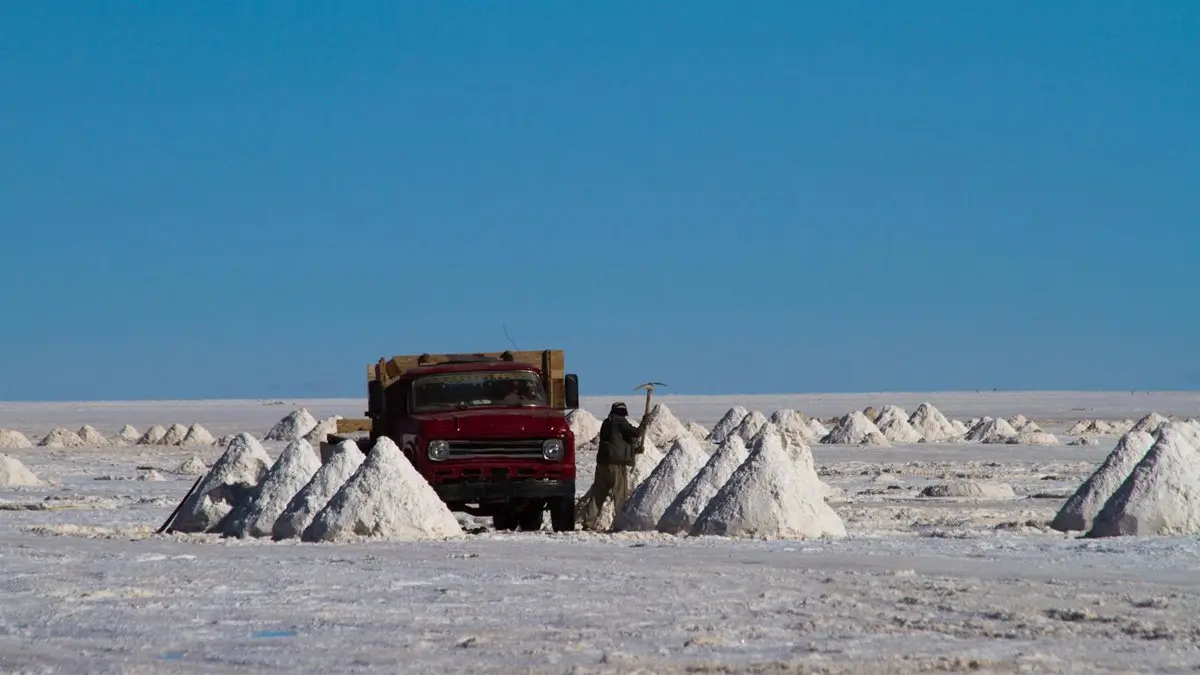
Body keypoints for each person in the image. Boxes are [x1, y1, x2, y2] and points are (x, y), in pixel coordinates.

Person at [582, 401, 644, 531]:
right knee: (620, 495)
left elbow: (618, 442)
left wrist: (635, 449)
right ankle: (620, 523)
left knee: (597, 494)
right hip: (616, 465)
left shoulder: (607, 423)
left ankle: (588, 523)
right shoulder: (620, 422)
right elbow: (637, 433)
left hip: (603, 464)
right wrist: (644, 423)